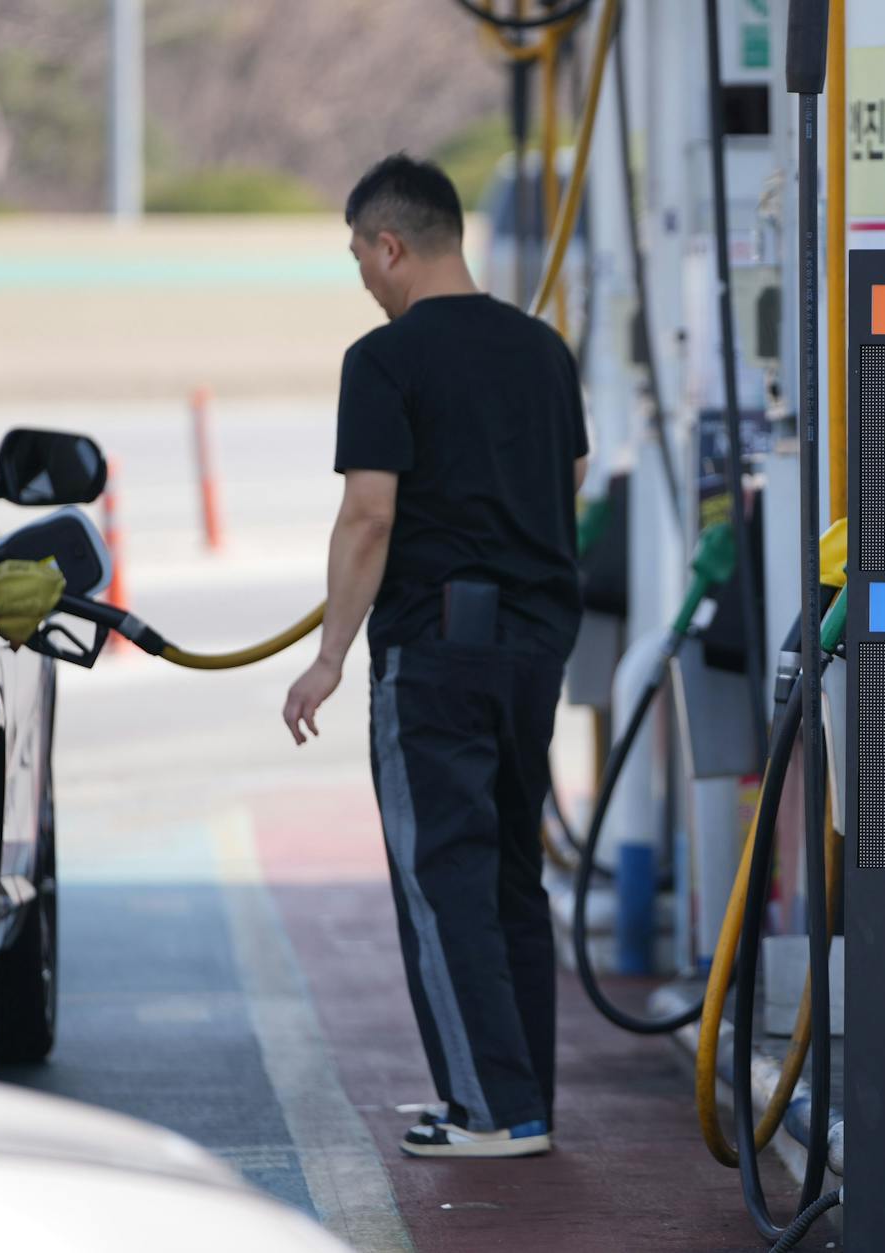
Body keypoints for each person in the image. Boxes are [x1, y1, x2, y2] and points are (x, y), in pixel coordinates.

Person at [282, 154, 589, 1160]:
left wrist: (329, 655)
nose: (363, 280)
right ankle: (520, 1097)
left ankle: (488, 1111)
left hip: (438, 648)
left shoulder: (385, 359)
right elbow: (569, 476)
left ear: (390, 244)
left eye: (360, 259)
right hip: (533, 647)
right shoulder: (544, 349)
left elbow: (368, 514)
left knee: (440, 870)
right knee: (508, 872)